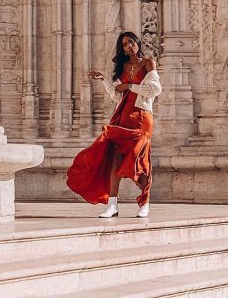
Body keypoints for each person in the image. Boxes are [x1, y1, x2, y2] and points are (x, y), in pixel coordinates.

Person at [66, 32, 161, 218]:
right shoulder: (124, 67)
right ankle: (112, 204)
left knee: (138, 161)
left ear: (137, 43)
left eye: (131, 42)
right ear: (123, 49)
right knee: (115, 160)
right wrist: (104, 80)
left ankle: (145, 202)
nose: (129, 46)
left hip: (141, 117)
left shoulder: (148, 63)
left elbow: (155, 90)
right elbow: (117, 96)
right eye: (125, 44)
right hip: (122, 117)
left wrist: (129, 86)